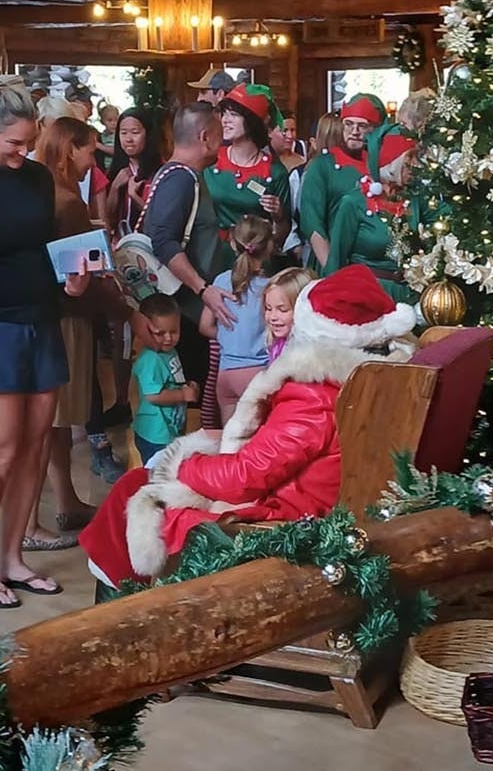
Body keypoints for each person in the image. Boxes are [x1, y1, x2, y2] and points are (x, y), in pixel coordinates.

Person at [79, 263, 416, 587]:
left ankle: (123, 614)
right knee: (142, 481)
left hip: (280, 518)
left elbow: (246, 476)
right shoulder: (368, 380)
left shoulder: (316, 395)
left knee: (136, 489)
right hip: (306, 501)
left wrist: (185, 463)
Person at [0, 81, 90, 609]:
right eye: (13, 143)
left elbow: (48, 247)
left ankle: (11, 558)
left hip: (42, 315)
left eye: (28, 143)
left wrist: (70, 281)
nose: (21, 153)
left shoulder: (33, 177)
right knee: (2, 450)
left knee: (35, 442)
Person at [37, 116, 114, 541]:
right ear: (70, 149)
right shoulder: (66, 200)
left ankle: (65, 499)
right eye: (89, 149)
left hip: (54, 312)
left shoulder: (46, 188)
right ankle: (57, 504)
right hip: (68, 316)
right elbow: (81, 273)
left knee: (60, 420)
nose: (93, 158)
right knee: (57, 415)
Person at [139, 102, 231, 406]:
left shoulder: (180, 175)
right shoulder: (181, 179)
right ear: (204, 137)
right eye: (220, 135)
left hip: (190, 309)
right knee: (195, 401)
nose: (224, 141)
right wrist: (202, 289)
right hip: (188, 313)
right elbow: (163, 241)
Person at [324, 123, 422, 302]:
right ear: (390, 166)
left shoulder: (414, 201)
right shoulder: (354, 203)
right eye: (407, 163)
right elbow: (336, 260)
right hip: (366, 294)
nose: (414, 169)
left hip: (407, 295)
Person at [299, 94, 388, 271]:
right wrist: (333, 271)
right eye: (349, 124)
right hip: (333, 262)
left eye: (362, 125)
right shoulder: (323, 165)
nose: (354, 131)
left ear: (377, 129)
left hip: (379, 268)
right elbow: (312, 223)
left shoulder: (386, 168)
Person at [206, 83, 292, 266]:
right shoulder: (210, 160)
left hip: (257, 263)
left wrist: (278, 215)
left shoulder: (275, 173)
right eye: (225, 113)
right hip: (213, 256)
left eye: (234, 115)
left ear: (253, 121)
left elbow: (283, 234)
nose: (225, 120)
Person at [201, 216, 275, 425]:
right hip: (256, 374)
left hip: (225, 375)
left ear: (233, 243)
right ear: (269, 247)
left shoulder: (220, 281)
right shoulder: (271, 288)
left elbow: (204, 327)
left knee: (231, 444)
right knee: (258, 444)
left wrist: (230, 333)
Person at [131, 294, 193, 467]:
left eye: (174, 331)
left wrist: (186, 387)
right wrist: (183, 394)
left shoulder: (168, 351)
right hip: (155, 435)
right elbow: (153, 395)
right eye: (160, 333)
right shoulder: (152, 359)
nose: (168, 338)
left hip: (169, 430)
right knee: (157, 477)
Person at [107, 107, 163, 232]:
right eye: (123, 133)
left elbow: (162, 221)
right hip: (122, 245)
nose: (129, 139)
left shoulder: (161, 172)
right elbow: (108, 219)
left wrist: (134, 197)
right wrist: (115, 187)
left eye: (135, 132)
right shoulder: (115, 170)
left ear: (148, 134)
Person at [270, 112, 309, 261]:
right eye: (284, 130)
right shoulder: (268, 164)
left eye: (293, 130)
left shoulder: (301, 161)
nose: (290, 135)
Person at [262, 268, 314, 363]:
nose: (272, 317)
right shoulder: (277, 346)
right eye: (268, 308)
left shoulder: (310, 355)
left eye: (282, 310)